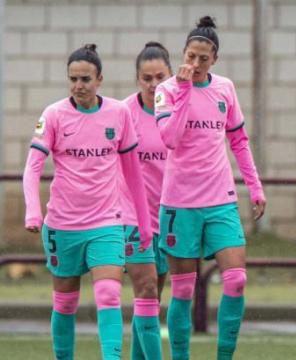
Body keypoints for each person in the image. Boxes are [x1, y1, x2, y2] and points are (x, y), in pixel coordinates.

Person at [23, 44, 152, 360]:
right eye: (73, 79)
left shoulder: (118, 114)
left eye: (85, 79)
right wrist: (33, 211)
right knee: (65, 302)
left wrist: (145, 222)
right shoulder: (53, 115)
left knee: (108, 294)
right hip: (62, 225)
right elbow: (32, 167)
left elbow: (133, 173)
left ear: (100, 80)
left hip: (106, 222)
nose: (78, 86)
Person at [154, 16, 266, 360]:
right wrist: (186, 92)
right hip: (179, 202)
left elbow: (239, 140)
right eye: (191, 56)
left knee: (236, 279)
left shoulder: (225, 89)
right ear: (182, 54)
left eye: (204, 58)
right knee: (183, 289)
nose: (196, 64)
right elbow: (170, 139)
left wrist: (255, 186)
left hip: (220, 199)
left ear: (214, 59)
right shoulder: (167, 90)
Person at [120, 41, 173, 360]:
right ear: (137, 78)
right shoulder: (124, 112)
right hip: (130, 218)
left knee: (151, 300)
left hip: (168, 218)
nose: (154, 85)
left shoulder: (180, 109)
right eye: (146, 78)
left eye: (159, 77)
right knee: (147, 291)